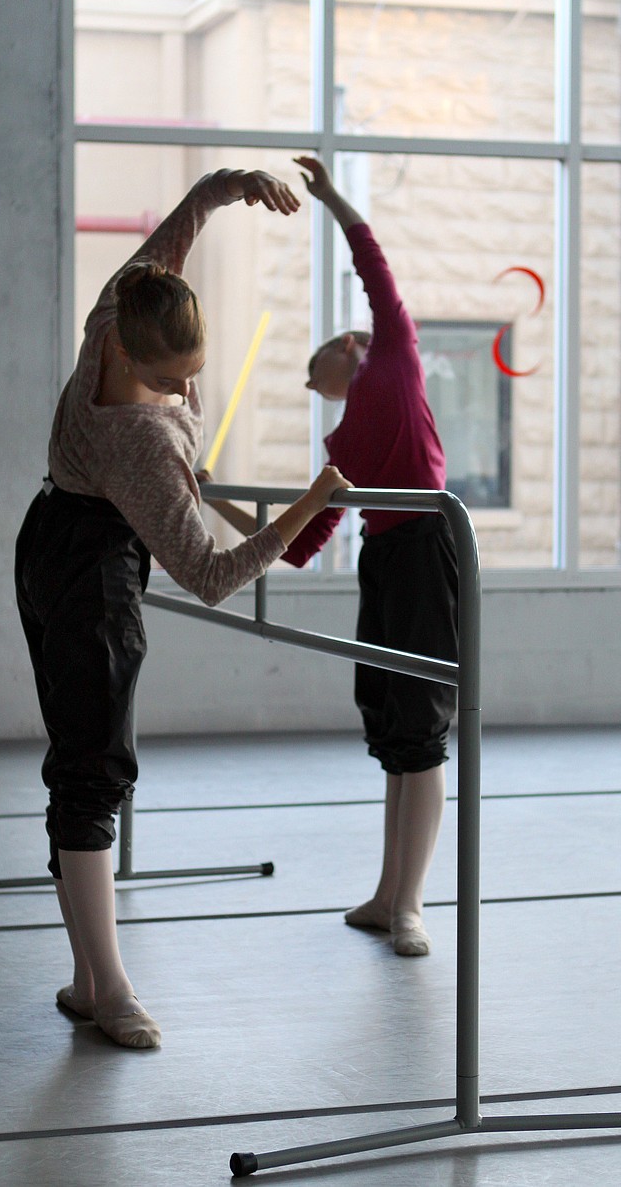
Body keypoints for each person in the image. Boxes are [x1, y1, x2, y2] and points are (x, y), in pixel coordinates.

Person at [15, 167, 351, 1049]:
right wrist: (312, 506)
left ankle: (91, 981)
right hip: (90, 575)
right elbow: (210, 573)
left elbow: (168, 247)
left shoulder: (114, 315)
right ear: (131, 356)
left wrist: (224, 189)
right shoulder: (142, 440)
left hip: (45, 536)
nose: (181, 392)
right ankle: (114, 987)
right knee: (93, 774)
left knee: (78, 758)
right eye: (173, 378)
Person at [205, 156, 457, 957]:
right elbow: (299, 544)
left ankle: (410, 904)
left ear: (349, 349)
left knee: (421, 729)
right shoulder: (342, 442)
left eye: (320, 378)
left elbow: (371, 261)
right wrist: (210, 496)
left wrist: (332, 197)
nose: (323, 395)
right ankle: (388, 895)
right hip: (384, 562)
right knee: (390, 730)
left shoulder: (395, 358)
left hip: (426, 551)